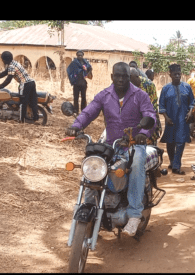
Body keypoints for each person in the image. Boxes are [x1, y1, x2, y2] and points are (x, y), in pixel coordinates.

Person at [67, 62, 157, 237]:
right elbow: (89, 112)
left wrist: (144, 133)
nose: (121, 79)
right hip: (111, 144)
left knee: (137, 161)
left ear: (129, 77)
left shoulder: (140, 95)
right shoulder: (104, 95)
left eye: (125, 76)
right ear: (112, 77)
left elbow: (150, 115)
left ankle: (134, 214)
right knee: (92, 162)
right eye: (118, 76)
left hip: (133, 144)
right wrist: (76, 126)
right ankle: (89, 206)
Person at [159, 65, 195, 174]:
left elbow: (192, 103)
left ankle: (176, 166)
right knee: (170, 142)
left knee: (180, 142)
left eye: (179, 74)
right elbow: (161, 105)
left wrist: (189, 112)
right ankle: (172, 161)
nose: (177, 76)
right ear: (170, 74)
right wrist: (166, 118)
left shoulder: (187, 87)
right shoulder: (165, 89)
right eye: (175, 74)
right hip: (170, 120)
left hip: (183, 120)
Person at [0, 52, 40, 124]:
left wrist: (0, 87)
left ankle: (21, 121)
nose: (2, 61)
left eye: (3, 59)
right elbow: (5, 73)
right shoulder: (14, 63)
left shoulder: (11, 66)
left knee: (23, 103)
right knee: (33, 101)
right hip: (31, 82)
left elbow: (8, 79)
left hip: (25, 84)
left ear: (6, 59)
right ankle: (36, 119)